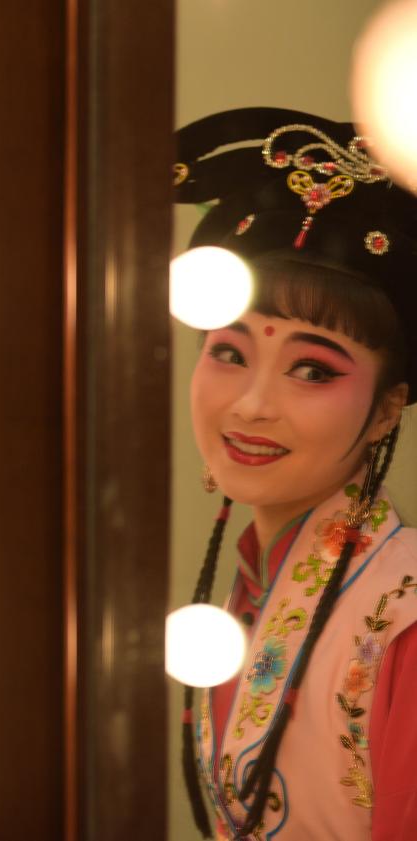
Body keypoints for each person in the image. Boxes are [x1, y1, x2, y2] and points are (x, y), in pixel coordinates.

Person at [173, 108, 417, 840]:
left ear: (387, 409)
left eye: (312, 369)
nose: (251, 404)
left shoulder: (402, 618)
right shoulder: (253, 583)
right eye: (229, 352)